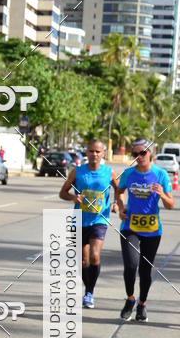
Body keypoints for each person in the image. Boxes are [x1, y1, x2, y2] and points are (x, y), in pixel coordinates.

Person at [116, 138, 173, 322]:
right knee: (130, 266)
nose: (139, 157)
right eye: (135, 154)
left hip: (152, 230)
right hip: (130, 227)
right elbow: (119, 191)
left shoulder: (160, 174)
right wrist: (121, 207)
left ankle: (142, 304)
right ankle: (130, 299)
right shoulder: (128, 173)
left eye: (143, 153)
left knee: (145, 271)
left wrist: (162, 194)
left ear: (151, 153)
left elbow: (170, 204)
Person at [59, 139, 119, 308]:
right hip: (78, 219)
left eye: (98, 151)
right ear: (86, 153)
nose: (94, 154)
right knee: (83, 261)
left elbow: (119, 189)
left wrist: (116, 203)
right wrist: (73, 197)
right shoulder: (77, 172)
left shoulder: (109, 172)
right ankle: (88, 289)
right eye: (91, 151)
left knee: (94, 256)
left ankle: (89, 293)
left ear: (103, 154)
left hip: (99, 220)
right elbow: (62, 193)